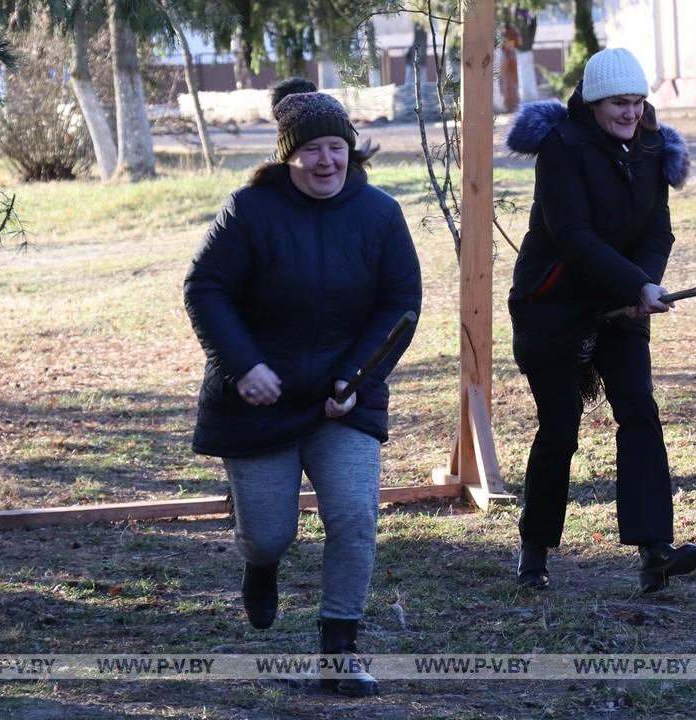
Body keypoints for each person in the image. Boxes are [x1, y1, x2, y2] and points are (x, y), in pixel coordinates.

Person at [184, 91, 422, 696]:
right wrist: (243, 367)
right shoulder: (250, 210)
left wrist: (357, 379)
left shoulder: (380, 215)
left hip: (342, 400)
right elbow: (206, 288)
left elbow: (400, 306)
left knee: (353, 516)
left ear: (352, 152)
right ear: (287, 157)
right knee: (270, 533)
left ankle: (338, 653)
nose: (326, 161)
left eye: (336, 148)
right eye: (311, 149)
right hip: (260, 398)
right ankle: (259, 566)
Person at [504, 47, 696, 593]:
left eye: (638, 102)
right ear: (593, 102)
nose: (631, 113)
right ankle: (535, 547)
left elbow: (658, 229)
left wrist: (647, 284)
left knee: (639, 410)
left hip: (624, 302)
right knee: (561, 425)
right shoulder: (562, 148)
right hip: (553, 303)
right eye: (619, 102)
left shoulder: (652, 146)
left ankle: (655, 549)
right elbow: (574, 236)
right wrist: (634, 283)